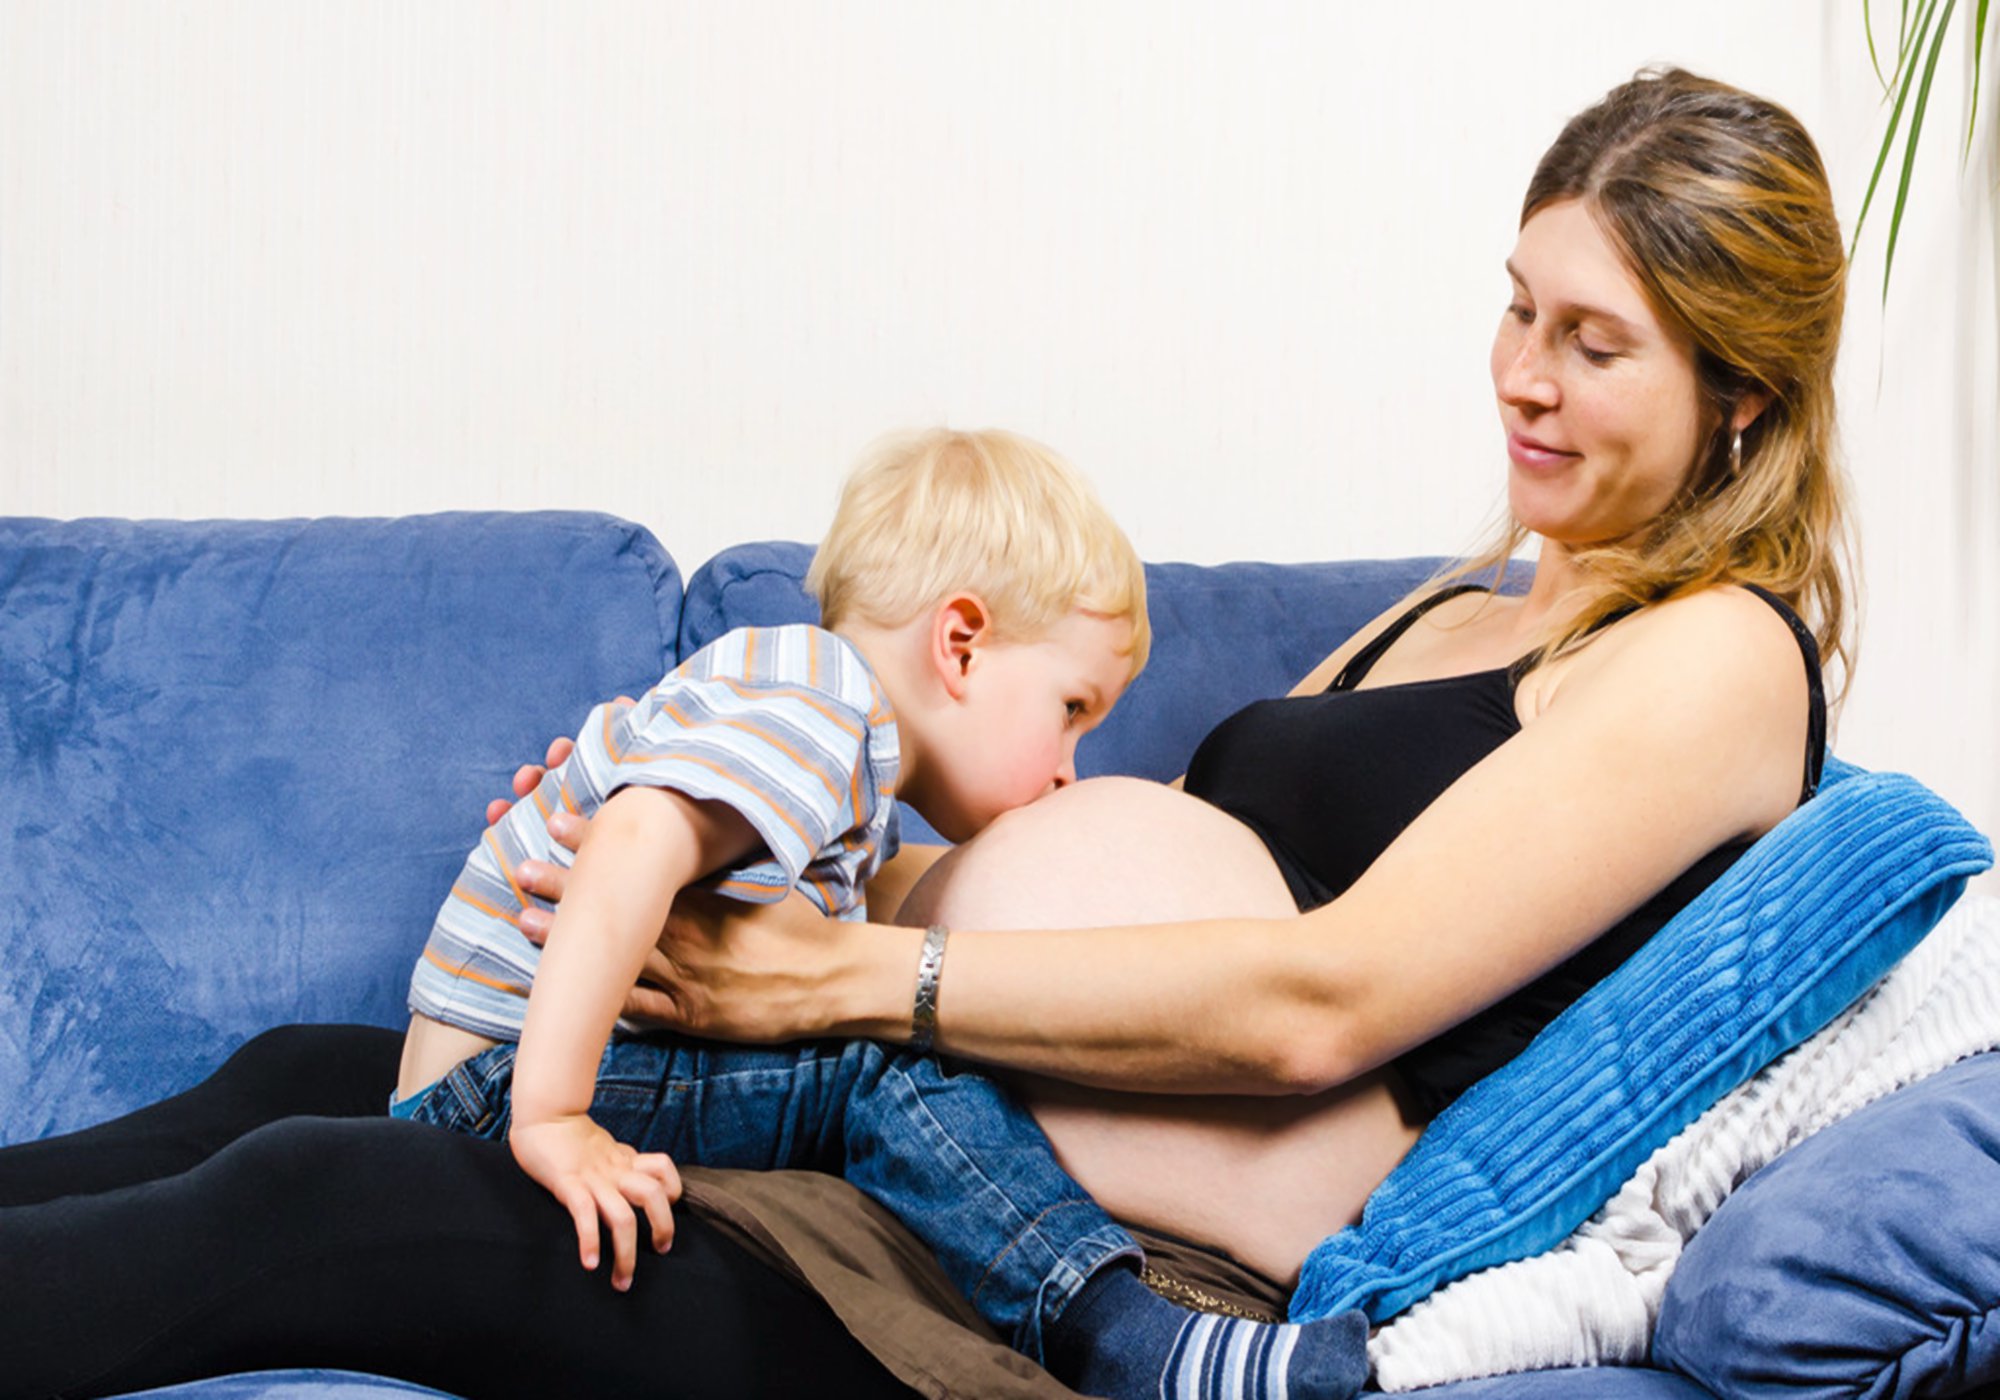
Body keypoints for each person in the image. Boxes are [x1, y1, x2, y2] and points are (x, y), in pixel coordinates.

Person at [0, 65, 1852, 1400]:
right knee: (295, 1078)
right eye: (1516, 310)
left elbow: (1327, 998)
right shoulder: (1457, 606)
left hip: (1051, 1262)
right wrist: (657, 831)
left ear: (1743, 393)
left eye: (1595, 344)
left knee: (322, 1193)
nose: (1522, 376)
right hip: (910, 1123)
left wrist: (838, 986)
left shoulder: (1715, 658)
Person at [390, 424, 1368, 1398]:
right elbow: (634, 837)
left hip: (487, 1074)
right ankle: (1122, 1332)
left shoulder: (798, 709)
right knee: (888, 1059)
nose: (1072, 766)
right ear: (960, 646)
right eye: (1070, 707)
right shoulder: (825, 710)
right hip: (498, 1089)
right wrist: (552, 1116)